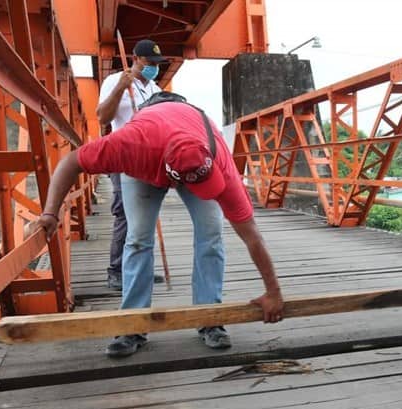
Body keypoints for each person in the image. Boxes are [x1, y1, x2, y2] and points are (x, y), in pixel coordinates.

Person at [25, 101, 285, 357]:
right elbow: (70, 163)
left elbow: (252, 236)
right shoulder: (128, 145)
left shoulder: (219, 161)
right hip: (148, 158)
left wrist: (273, 292)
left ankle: (210, 318)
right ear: (171, 176)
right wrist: (49, 212)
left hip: (191, 141)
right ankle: (132, 324)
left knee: (212, 234)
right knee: (138, 238)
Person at [96, 39, 164, 291]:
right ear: (135, 59)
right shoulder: (115, 81)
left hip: (150, 158)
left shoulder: (155, 88)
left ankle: (141, 268)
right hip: (123, 155)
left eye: (157, 64)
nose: (153, 67)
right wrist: (121, 90)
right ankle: (116, 270)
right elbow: (103, 117)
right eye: (149, 63)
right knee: (124, 213)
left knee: (148, 212)